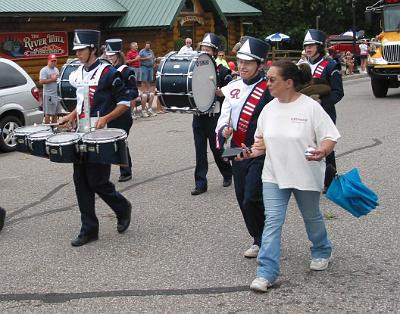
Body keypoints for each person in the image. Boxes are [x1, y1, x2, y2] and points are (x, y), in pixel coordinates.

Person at [238, 60, 341, 292]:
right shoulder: (269, 109)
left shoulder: (311, 107)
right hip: (274, 175)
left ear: (289, 82)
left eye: (272, 79)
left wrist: (322, 150)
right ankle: (266, 272)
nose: (267, 83)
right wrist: (248, 154)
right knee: (272, 221)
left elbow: (329, 136)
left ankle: (322, 250)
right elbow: (260, 144)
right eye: (267, 79)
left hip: (305, 173)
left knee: (312, 217)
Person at [58, 29, 132, 247]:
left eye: (82, 50)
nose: (78, 54)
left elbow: (125, 103)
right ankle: (89, 229)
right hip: (80, 133)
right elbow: (82, 103)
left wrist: (106, 118)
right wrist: (70, 115)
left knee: (97, 181)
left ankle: (122, 207)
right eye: (77, 50)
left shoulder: (109, 72)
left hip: (101, 135)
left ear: (93, 50)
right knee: (80, 180)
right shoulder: (79, 72)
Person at [216, 37, 273, 258]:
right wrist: (224, 130)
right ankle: (257, 237)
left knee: (252, 197)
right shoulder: (232, 87)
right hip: (237, 151)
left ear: (260, 65)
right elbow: (224, 116)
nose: (242, 67)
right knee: (241, 197)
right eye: (240, 62)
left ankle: (265, 238)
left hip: (260, 151)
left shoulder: (269, 88)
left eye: (248, 63)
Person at [191, 33, 232, 195]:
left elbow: (230, 95)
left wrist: (220, 92)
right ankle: (200, 183)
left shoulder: (223, 71)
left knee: (217, 149)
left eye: (208, 49)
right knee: (199, 151)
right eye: (203, 49)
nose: (205, 51)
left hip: (215, 116)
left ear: (214, 52)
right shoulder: (194, 69)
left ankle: (227, 173)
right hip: (199, 116)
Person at [303, 29, 344, 192]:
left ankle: (330, 180)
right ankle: (309, 179)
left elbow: (338, 92)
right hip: (304, 113)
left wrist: (320, 102)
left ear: (320, 46)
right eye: (306, 46)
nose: (308, 49)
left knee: (326, 146)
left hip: (324, 112)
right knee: (305, 144)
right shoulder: (302, 66)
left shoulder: (331, 65)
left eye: (311, 45)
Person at [105, 38, 139, 182]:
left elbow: (134, 92)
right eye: (108, 55)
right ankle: (122, 168)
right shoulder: (107, 70)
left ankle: (125, 170)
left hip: (122, 111)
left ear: (119, 54)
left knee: (120, 141)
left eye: (112, 55)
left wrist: (121, 95)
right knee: (112, 142)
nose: (109, 57)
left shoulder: (126, 70)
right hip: (110, 112)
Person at [39, 54, 60, 124]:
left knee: (55, 113)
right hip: (48, 95)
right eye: (52, 61)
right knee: (48, 113)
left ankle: (54, 128)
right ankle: (48, 129)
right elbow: (41, 81)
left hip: (56, 95)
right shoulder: (44, 70)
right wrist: (52, 79)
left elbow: (57, 80)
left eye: (55, 61)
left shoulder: (56, 69)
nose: (53, 62)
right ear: (48, 61)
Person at [139, 41, 157, 116]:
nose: (148, 47)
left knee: (149, 80)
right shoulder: (142, 51)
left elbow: (153, 57)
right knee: (144, 79)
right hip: (144, 67)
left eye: (149, 46)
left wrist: (154, 61)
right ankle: (144, 91)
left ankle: (149, 91)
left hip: (150, 67)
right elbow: (139, 58)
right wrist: (146, 58)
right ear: (145, 45)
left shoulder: (151, 51)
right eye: (147, 46)